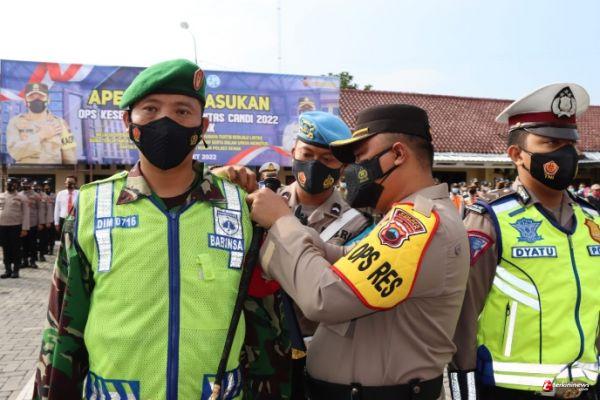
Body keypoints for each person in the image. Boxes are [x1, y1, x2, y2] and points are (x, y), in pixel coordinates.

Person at [34, 59, 253, 400]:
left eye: (182, 111)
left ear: (203, 126)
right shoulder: (93, 205)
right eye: (150, 109)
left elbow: (261, 323)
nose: (165, 121)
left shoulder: (240, 207)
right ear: (128, 121)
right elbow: (62, 326)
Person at [247, 104, 470, 399]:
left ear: (398, 154)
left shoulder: (419, 224)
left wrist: (282, 223)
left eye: (362, 158)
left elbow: (325, 298)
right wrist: (302, 234)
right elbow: (348, 259)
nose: (354, 170)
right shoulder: (405, 215)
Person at [449, 83, 600, 400]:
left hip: (578, 388)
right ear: (517, 155)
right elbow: (462, 318)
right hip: (511, 389)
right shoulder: (490, 220)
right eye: (550, 143)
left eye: (570, 144)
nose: (565, 154)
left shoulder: (593, 221)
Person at [216, 111, 371, 399]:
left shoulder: (359, 225)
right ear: (292, 153)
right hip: (260, 359)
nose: (314, 165)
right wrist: (218, 180)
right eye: (307, 154)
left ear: (342, 167)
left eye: (327, 159)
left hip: (321, 361)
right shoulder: (257, 203)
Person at [6, 83, 77, 164]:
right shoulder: (15, 122)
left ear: (48, 100)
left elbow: (70, 158)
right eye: (31, 97)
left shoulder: (60, 123)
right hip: (26, 171)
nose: (36, 100)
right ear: (25, 101)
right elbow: (14, 153)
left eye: (41, 96)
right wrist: (40, 135)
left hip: (54, 171)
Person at [0, 178, 30, 278]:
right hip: (2, 226)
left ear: (17, 185)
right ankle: (7, 270)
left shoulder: (22, 197)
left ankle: (16, 270)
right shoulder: (1, 196)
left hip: (16, 226)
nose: (10, 185)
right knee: (5, 249)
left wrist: (25, 228)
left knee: (16, 249)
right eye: (8, 183)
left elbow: (26, 214)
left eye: (12, 184)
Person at [19, 178, 41, 269]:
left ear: (30, 184)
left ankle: (33, 261)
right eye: (23, 183)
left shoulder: (36, 195)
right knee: (23, 244)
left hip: (33, 223)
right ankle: (24, 261)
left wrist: (40, 223)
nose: (25, 185)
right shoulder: (19, 195)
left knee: (33, 244)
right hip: (22, 224)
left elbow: (40, 209)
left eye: (27, 183)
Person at [33, 181, 51, 262]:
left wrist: (48, 221)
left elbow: (49, 210)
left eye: (38, 186)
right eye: (35, 186)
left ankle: (41, 255)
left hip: (43, 222)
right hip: (32, 223)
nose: (37, 188)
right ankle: (33, 256)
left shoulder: (45, 196)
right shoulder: (31, 196)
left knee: (43, 240)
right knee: (32, 241)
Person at [42, 180, 56, 255]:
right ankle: (45, 249)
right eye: (45, 187)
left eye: (48, 187)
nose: (46, 188)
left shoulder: (54, 196)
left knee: (51, 236)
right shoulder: (42, 196)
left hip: (52, 218)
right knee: (44, 236)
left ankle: (51, 249)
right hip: (44, 219)